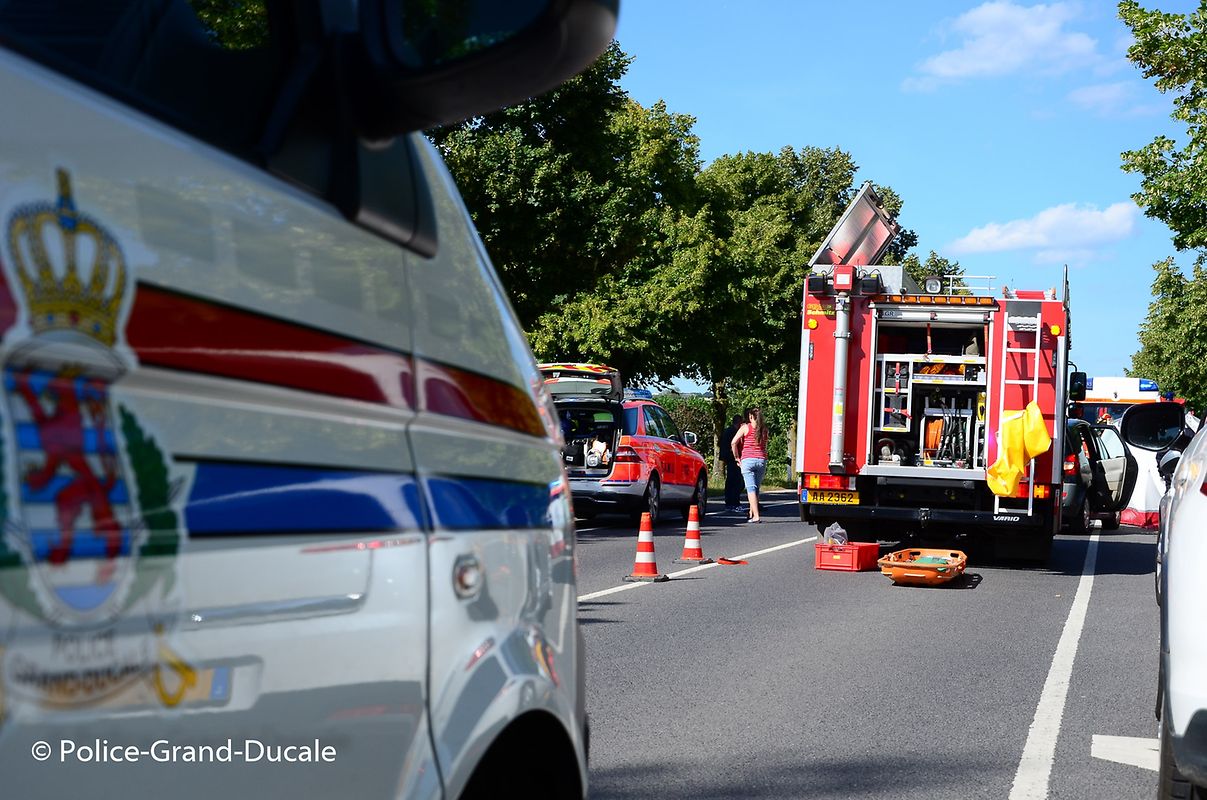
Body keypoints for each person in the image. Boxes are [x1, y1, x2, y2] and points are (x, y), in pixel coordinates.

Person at [731, 406, 768, 523]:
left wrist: (737, 457)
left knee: (750, 488)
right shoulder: (764, 430)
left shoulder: (745, 427)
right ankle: (751, 512)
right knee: (756, 488)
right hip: (761, 460)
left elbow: (733, 442)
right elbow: (765, 446)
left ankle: (756, 516)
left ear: (750, 416)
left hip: (747, 459)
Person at [720, 415, 744, 512]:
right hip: (733, 458)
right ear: (739, 423)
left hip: (729, 458)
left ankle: (730, 502)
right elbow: (733, 445)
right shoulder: (733, 432)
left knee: (732, 481)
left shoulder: (727, 431)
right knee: (736, 481)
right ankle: (733, 502)